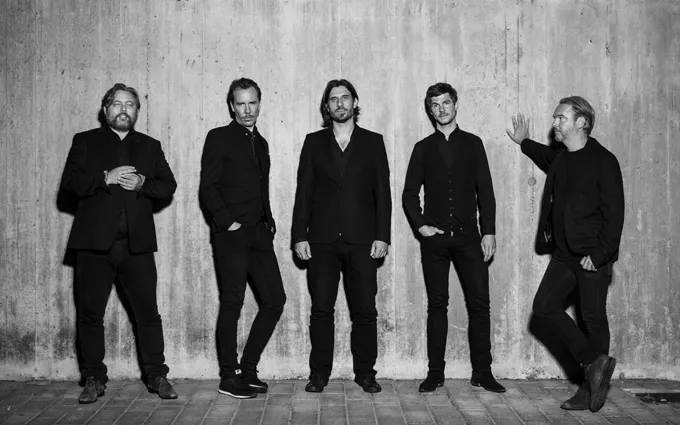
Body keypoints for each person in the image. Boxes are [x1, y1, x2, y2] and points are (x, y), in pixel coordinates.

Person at [60, 83, 178, 404]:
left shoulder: (151, 146)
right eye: (117, 104)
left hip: (136, 246)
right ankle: (94, 378)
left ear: (137, 111)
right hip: (93, 245)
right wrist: (105, 178)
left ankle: (156, 375)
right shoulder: (85, 141)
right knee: (90, 315)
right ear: (105, 109)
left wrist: (142, 183)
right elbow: (69, 185)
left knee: (148, 314)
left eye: (130, 104)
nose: (123, 109)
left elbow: (168, 186)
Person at [506, 96, 624, 412]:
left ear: (581, 122)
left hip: (591, 255)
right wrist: (523, 142)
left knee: (592, 318)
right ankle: (594, 362)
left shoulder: (603, 161)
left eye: (561, 118)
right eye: (555, 118)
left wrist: (600, 255)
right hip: (564, 254)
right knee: (544, 306)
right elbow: (545, 155)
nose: (554, 123)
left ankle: (589, 389)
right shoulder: (562, 158)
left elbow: (615, 215)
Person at [402, 82, 505, 393]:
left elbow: (486, 191)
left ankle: (482, 372)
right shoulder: (422, 148)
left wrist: (489, 231)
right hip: (435, 241)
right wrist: (421, 226)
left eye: (446, 102)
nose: (441, 109)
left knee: (480, 306)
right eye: (435, 105)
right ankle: (435, 373)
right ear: (430, 110)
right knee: (437, 306)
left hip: (469, 238)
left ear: (455, 105)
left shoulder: (473, 144)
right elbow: (409, 194)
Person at [292, 79, 391, 394]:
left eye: (345, 98)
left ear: (354, 102)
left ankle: (366, 373)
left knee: (365, 311)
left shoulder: (373, 142)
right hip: (321, 241)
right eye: (333, 99)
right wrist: (299, 235)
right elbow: (304, 193)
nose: (340, 103)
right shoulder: (313, 142)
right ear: (327, 106)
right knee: (321, 310)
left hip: (363, 240)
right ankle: (319, 374)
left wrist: (383, 235)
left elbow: (383, 193)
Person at [199, 78, 286, 399]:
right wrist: (228, 223)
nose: (247, 110)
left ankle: (248, 368)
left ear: (259, 104)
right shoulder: (219, 137)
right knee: (232, 302)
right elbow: (208, 187)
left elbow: (261, 187)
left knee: (274, 299)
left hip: (259, 233)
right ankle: (229, 375)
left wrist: (269, 222)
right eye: (241, 103)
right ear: (231, 106)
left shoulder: (260, 142)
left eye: (252, 103)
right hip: (232, 235)